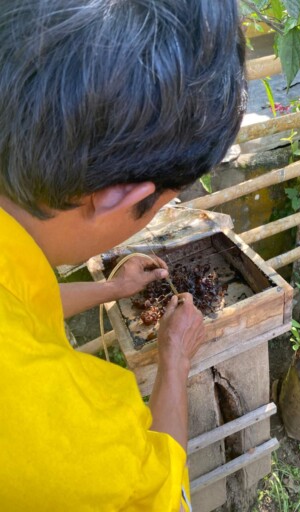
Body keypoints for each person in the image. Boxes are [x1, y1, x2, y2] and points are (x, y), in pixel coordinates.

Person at [0, 1, 246, 510]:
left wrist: (113, 288)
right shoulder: (50, 427)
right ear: (123, 198)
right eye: (164, 203)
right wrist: (173, 358)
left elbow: (22, 301)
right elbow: (160, 491)